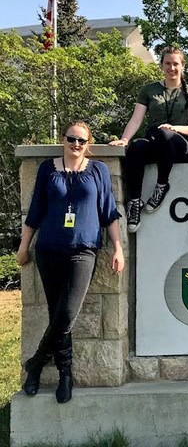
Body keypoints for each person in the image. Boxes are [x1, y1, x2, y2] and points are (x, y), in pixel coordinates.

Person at [17, 121, 124, 403]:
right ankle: (65, 374)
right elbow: (36, 211)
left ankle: (37, 362)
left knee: (66, 315)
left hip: (83, 251)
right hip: (49, 250)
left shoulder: (98, 171)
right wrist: (23, 247)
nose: (76, 145)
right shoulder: (47, 170)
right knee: (57, 315)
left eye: (82, 141)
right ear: (63, 139)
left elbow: (109, 212)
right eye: (71, 139)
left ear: (88, 143)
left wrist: (117, 248)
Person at [110, 45, 188, 232]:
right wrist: (125, 139)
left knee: (164, 133)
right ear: (161, 65)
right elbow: (136, 119)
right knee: (137, 146)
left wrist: (174, 128)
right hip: (155, 141)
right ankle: (135, 202)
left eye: (176, 64)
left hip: (180, 144)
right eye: (167, 63)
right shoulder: (149, 90)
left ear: (183, 66)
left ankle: (162, 185)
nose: (172, 68)